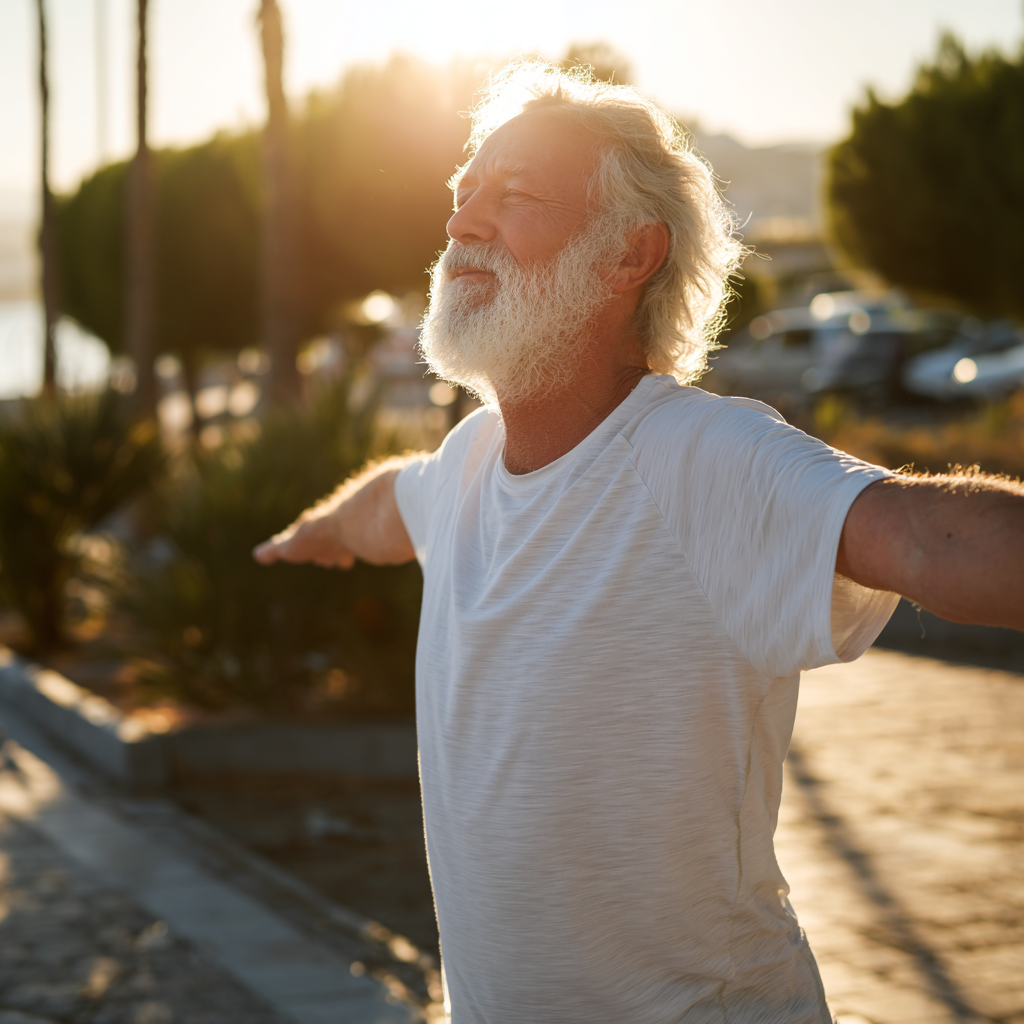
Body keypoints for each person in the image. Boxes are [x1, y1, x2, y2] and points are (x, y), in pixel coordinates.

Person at [254, 63, 1024, 1024]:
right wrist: (313, 533)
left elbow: (925, 536)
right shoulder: (464, 462)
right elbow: (386, 507)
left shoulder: (697, 454)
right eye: (462, 198)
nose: (461, 225)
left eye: (515, 196)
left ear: (630, 256)